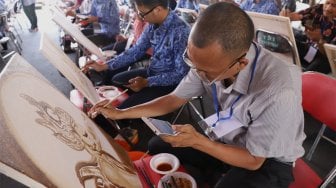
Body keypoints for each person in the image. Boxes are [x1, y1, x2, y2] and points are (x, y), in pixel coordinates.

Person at [88, 2, 305, 187]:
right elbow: (174, 99)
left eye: (205, 71)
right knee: (157, 145)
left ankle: (216, 174)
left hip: (267, 159)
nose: (198, 73)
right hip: (228, 135)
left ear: (241, 63)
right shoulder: (208, 60)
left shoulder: (278, 91)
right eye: (193, 62)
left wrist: (200, 142)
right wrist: (121, 112)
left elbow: (254, 160)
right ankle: (214, 173)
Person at [83, 0, 190, 109]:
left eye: (142, 14)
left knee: (121, 109)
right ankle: (134, 110)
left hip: (170, 84)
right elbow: (137, 50)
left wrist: (147, 82)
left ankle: (135, 117)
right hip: (152, 72)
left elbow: (180, 74)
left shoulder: (181, 31)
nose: (141, 17)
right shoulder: (153, 25)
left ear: (157, 10)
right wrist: (104, 66)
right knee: (115, 80)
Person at [280, 0, 336, 74]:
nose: (328, 8)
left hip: (324, 57)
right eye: (327, 3)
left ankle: (303, 79)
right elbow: (300, 15)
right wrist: (287, 15)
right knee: (285, 39)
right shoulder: (319, 8)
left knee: (324, 63)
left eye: (334, 6)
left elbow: (331, 57)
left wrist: (319, 40)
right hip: (309, 49)